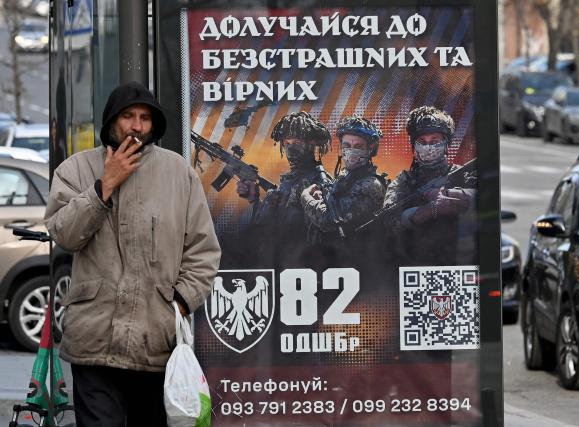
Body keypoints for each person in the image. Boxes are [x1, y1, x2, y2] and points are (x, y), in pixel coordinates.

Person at [44, 81, 221, 427]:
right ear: (112, 121)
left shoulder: (178, 173)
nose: (137, 126)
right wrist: (104, 186)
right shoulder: (75, 170)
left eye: (144, 118)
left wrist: (178, 304)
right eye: (128, 116)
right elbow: (63, 233)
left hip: (155, 343)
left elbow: (203, 251)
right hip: (94, 343)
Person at [236, 111, 333, 265]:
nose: (290, 148)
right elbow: (271, 226)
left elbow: (323, 230)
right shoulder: (289, 181)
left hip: (305, 266)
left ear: (311, 145)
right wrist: (254, 198)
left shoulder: (319, 180)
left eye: (297, 143)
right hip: (280, 262)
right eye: (287, 144)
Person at [383, 106, 476, 265]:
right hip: (414, 264)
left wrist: (454, 195)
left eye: (435, 141)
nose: (428, 147)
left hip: (459, 263)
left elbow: (485, 199)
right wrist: (430, 210)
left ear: (446, 144)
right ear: (414, 145)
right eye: (422, 141)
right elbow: (389, 219)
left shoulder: (463, 175)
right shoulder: (404, 180)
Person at [300, 114, 387, 253]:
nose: (351, 151)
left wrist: (306, 198)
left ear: (370, 149)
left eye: (358, 146)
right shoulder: (345, 177)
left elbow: (328, 221)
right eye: (347, 145)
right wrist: (320, 198)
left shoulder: (370, 185)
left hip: (358, 260)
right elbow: (333, 204)